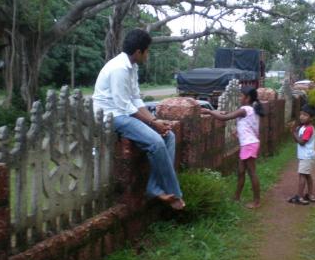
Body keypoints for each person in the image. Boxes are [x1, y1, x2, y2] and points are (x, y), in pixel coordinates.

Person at [92, 29, 185, 210]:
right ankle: (175, 193)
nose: (148, 55)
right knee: (156, 142)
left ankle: (153, 188)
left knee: (169, 136)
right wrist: (152, 123)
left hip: (123, 113)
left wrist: (154, 120)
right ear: (138, 52)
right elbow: (124, 106)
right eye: (147, 51)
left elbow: (135, 99)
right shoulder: (119, 68)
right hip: (111, 116)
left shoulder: (131, 67)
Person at [202, 86, 264, 209]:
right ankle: (236, 197)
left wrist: (209, 112)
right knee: (241, 172)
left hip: (248, 144)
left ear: (248, 98)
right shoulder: (251, 109)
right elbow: (245, 123)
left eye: (241, 95)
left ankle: (257, 201)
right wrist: (238, 131)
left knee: (251, 173)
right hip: (249, 144)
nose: (239, 97)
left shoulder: (244, 109)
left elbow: (225, 118)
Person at [288, 105, 315, 205]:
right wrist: (294, 132)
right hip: (306, 156)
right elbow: (296, 140)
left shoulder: (309, 129)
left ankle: (299, 197)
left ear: (311, 118)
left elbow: (302, 142)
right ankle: (310, 194)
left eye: (305, 115)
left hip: (307, 156)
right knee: (307, 175)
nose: (302, 116)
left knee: (302, 175)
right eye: (301, 114)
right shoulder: (302, 127)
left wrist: (293, 132)